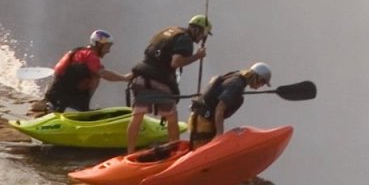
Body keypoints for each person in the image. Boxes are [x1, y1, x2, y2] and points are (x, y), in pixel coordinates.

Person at [125, 15, 212, 153]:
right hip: (159, 81)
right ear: (198, 30)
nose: (202, 38)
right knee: (172, 116)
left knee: (137, 115)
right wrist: (197, 56)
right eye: (203, 34)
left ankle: (129, 153)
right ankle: (175, 152)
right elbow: (175, 62)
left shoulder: (170, 32)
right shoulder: (185, 40)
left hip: (140, 77)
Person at [43, 30, 131, 112]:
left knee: (92, 74)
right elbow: (103, 73)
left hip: (57, 91)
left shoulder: (81, 52)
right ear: (98, 44)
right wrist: (124, 78)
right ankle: (60, 107)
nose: (108, 51)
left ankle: (74, 107)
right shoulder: (89, 55)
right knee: (96, 75)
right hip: (63, 93)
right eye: (107, 47)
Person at [188, 62, 271, 148]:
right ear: (258, 78)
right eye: (263, 82)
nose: (261, 86)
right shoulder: (236, 85)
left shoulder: (236, 76)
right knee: (201, 150)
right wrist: (219, 134)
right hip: (203, 121)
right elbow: (220, 109)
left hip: (201, 117)